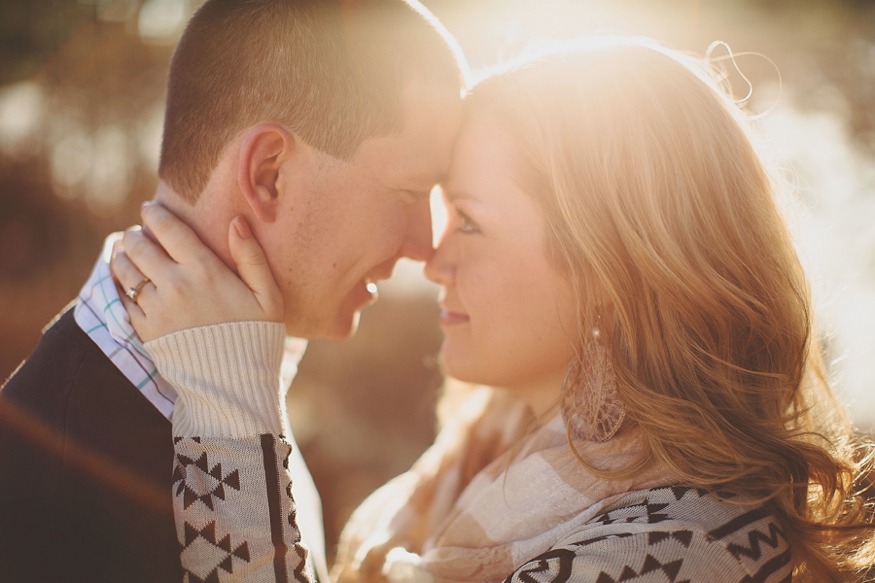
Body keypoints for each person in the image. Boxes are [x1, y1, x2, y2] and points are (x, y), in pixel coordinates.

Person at [112, 37, 875, 582]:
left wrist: (234, 416)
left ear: (610, 266)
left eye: (468, 221)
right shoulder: (470, 463)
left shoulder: (690, 550)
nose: (431, 257)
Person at [0, 0, 465, 581]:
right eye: (410, 191)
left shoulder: (246, 389)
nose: (426, 244)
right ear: (269, 173)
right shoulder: (44, 505)